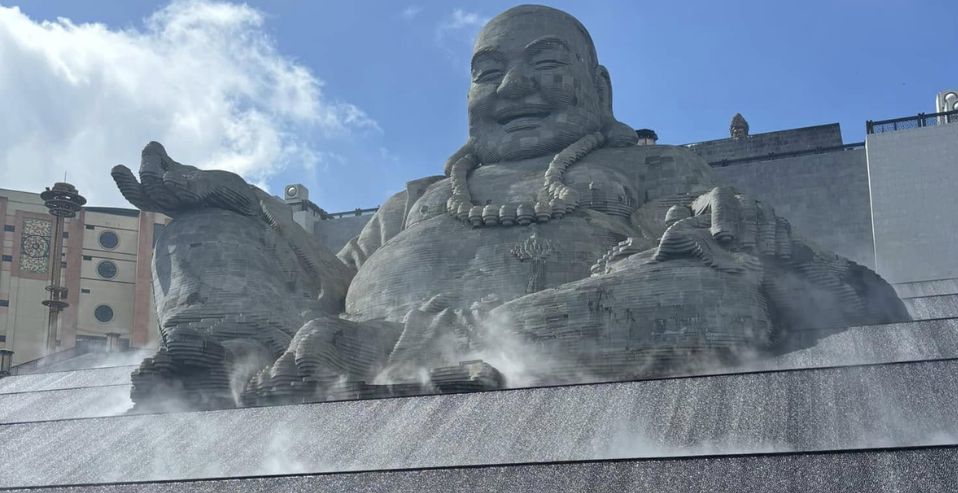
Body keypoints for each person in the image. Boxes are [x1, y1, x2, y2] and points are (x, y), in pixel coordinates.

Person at [113, 6, 908, 407]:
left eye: (543, 65)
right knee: (209, 217)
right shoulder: (417, 202)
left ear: (598, 90)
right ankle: (219, 362)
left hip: (542, 340)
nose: (514, 88)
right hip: (325, 342)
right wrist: (244, 204)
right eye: (488, 72)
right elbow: (323, 286)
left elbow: (858, 299)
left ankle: (427, 359)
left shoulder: (656, 166)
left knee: (707, 287)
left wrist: (760, 239)